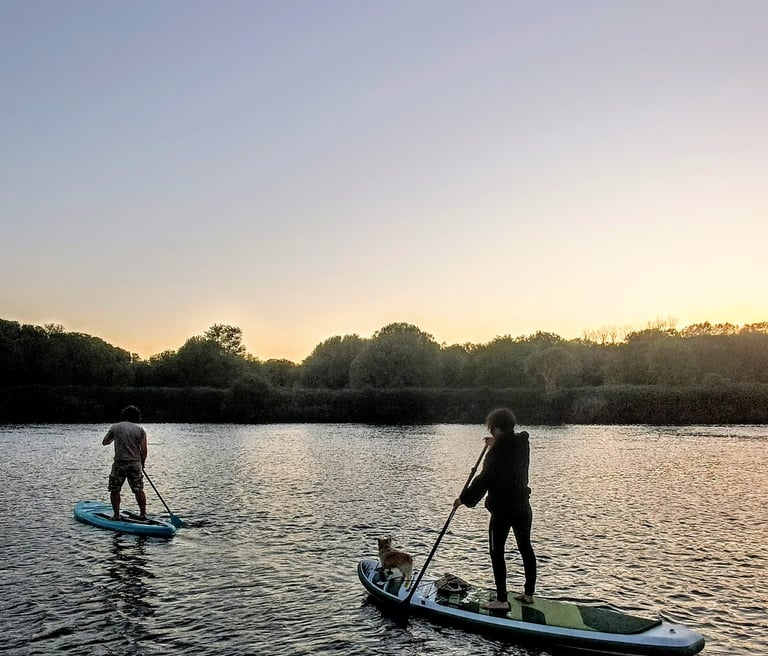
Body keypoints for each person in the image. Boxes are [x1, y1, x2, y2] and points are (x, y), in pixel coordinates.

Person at [453, 407, 537, 610]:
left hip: (502, 511)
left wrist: (463, 499)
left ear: (496, 429)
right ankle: (528, 594)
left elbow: (484, 480)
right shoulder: (522, 445)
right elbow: (509, 446)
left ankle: (501, 600)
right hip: (523, 508)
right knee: (525, 548)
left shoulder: (495, 455)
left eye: (491, 429)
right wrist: (496, 444)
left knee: (496, 552)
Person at [102, 405, 148, 520]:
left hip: (119, 464)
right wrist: (142, 464)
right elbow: (144, 450)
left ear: (124, 415)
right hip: (135, 463)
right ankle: (143, 514)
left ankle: (116, 515)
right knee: (138, 489)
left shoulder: (115, 427)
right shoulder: (140, 430)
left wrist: (115, 437)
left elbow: (105, 442)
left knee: (115, 489)